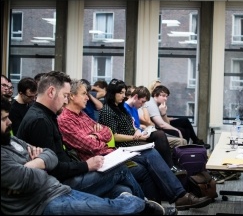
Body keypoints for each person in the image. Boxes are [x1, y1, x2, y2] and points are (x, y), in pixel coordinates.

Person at [1, 96, 166, 215]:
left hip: (57, 188)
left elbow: (51, 155)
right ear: (54, 93)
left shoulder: (11, 140)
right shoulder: (48, 120)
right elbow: (33, 177)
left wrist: (35, 163)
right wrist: (39, 163)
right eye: (4, 119)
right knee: (124, 173)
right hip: (41, 202)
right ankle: (145, 205)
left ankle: (147, 202)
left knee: (123, 187)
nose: (9, 122)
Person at [15, 71, 157, 211]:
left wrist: (95, 137)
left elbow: (107, 133)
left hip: (67, 173)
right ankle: (146, 209)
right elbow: (55, 169)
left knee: (122, 189)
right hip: (58, 185)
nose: (66, 101)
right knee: (120, 170)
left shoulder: (46, 115)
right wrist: (87, 166)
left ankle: (144, 206)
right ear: (51, 92)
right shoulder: (40, 121)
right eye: (65, 96)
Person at [97, 79, 213, 210]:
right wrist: (133, 136)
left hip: (133, 145)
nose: (123, 96)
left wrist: (135, 130)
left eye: (124, 92)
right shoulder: (107, 111)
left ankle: (171, 199)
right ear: (113, 93)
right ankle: (180, 196)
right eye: (121, 93)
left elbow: (131, 124)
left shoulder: (120, 108)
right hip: (122, 149)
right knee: (151, 154)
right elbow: (113, 136)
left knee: (153, 151)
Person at [124, 85, 187, 171]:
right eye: (142, 102)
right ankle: (170, 166)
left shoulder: (134, 107)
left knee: (166, 135)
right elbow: (133, 126)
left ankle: (175, 166)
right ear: (135, 97)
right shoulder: (125, 108)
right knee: (160, 134)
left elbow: (136, 124)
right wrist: (139, 129)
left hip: (142, 132)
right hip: (135, 137)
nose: (142, 105)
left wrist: (140, 128)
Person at [146, 85, 210, 149]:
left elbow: (166, 122)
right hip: (155, 130)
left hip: (159, 126)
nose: (165, 98)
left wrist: (163, 113)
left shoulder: (159, 105)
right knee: (182, 130)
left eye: (166, 96)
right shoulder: (152, 104)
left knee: (186, 125)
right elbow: (162, 124)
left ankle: (186, 151)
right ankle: (186, 149)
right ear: (155, 94)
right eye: (163, 96)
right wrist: (177, 130)